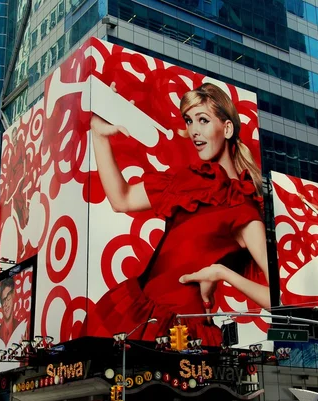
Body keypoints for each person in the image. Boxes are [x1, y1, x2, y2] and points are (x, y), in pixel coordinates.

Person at [84, 82, 270, 347]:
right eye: (189, 120)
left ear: (226, 128)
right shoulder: (187, 181)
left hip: (184, 333)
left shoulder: (243, 210)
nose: (194, 131)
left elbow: (279, 299)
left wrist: (223, 274)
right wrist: (99, 135)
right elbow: (121, 199)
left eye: (203, 120)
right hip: (136, 309)